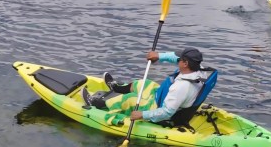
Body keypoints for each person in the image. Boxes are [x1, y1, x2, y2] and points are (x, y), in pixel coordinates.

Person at [82, 47, 215, 127]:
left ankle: (96, 102)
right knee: (144, 83)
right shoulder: (199, 69)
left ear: (185, 63)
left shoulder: (181, 87)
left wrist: (142, 114)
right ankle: (116, 88)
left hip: (161, 111)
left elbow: (166, 112)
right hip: (163, 97)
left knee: (129, 99)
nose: (177, 60)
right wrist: (158, 56)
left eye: (180, 59)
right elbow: (174, 58)